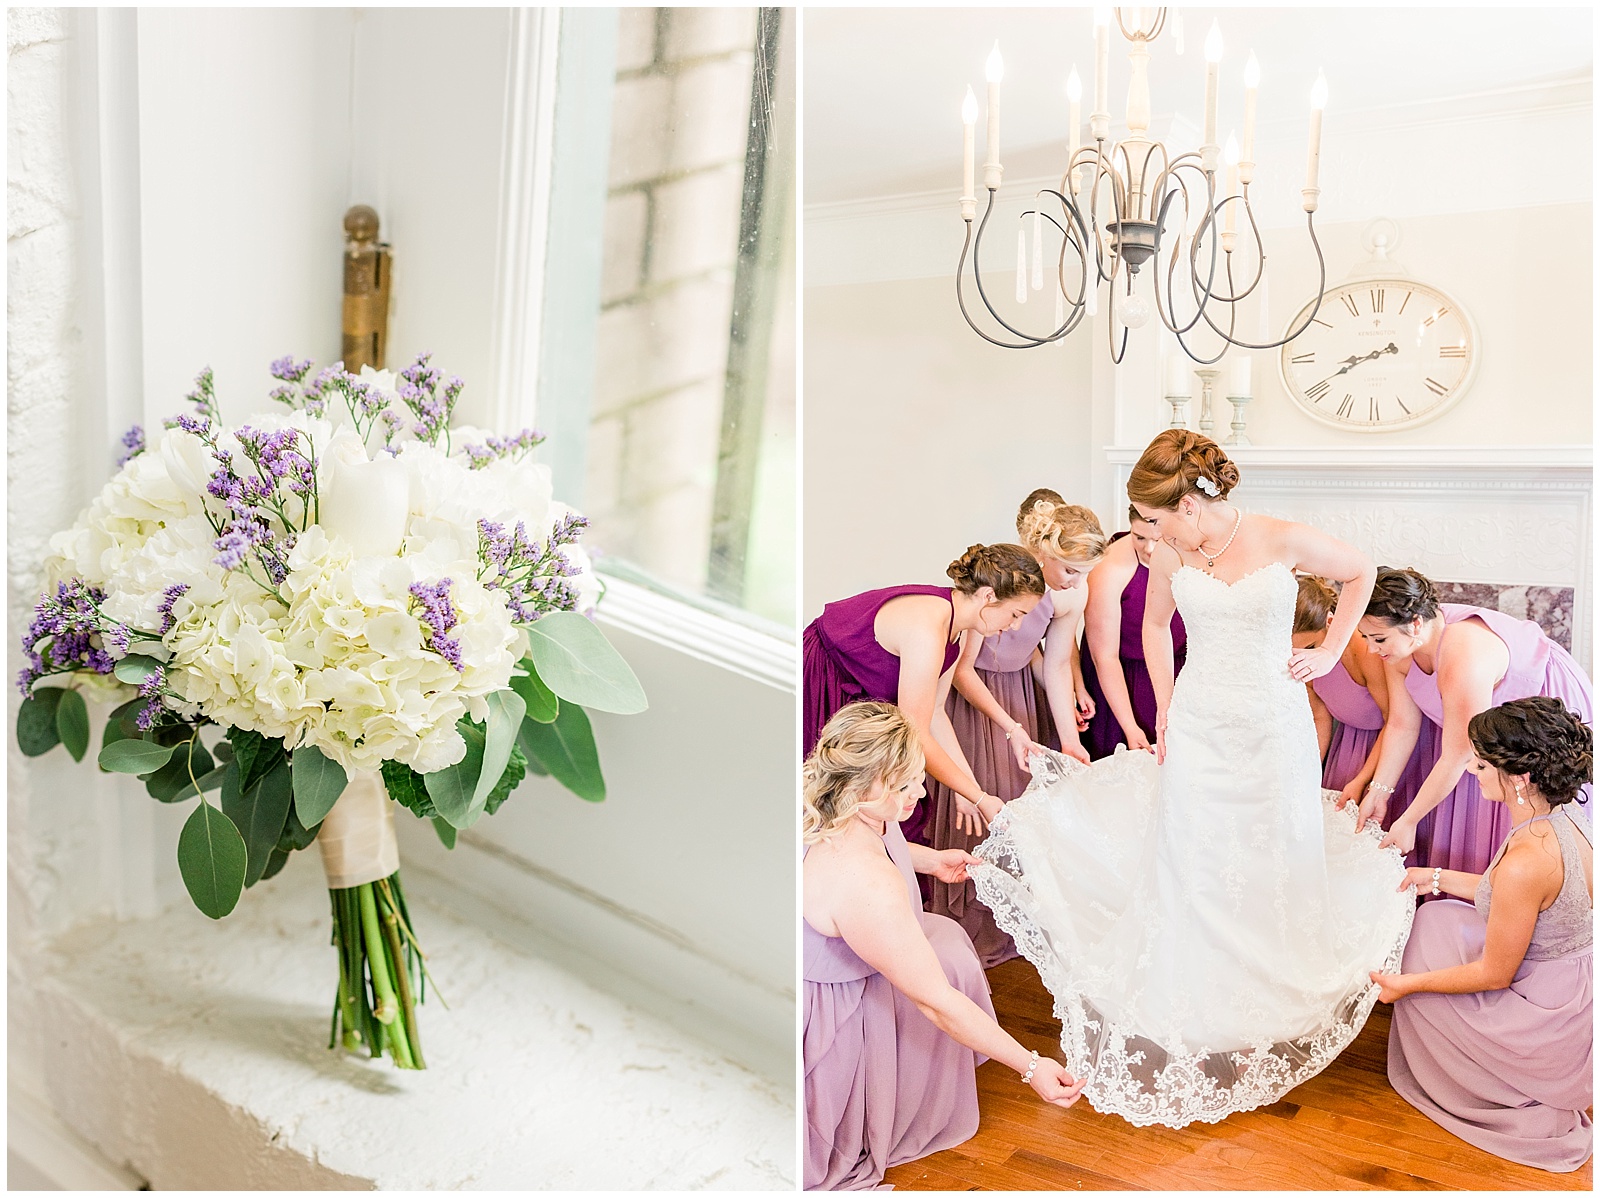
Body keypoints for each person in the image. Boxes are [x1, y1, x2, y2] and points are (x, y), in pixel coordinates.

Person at [972, 429, 1413, 1129]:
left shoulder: (1279, 536)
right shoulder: (1175, 551)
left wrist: (1330, 650)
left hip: (1273, 722)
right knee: (1196, 851)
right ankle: (1200, 991)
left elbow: (1360, 570)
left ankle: (1269, 990)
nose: (1145, 531)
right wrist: (1171, 707)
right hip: (1202, 719)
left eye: (1154, 516)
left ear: (1190, 501)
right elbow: (1154, 628)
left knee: (1271, 847)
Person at [803, 702, 1085, 1190]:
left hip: (854, 946)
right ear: (867, 785)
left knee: (949, 942)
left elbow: (886, 840)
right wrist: (1031, 1065)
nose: (921, 791)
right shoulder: (867, 883)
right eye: (908, 782)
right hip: (836, 1016)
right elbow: (936, 1003)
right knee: (943, 976)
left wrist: (930, 861)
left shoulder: (836, 805)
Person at [1373, 696, 1592, 1172]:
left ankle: (1494, 1088)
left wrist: (1403, 988)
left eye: (1481, 762)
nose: (1471, 769)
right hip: (1569, 982)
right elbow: (1527, 904)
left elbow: (1494, 974)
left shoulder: (1529, 857)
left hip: (1547, 1014)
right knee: (1436, 918)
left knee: (1419, 955)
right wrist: (1435, 877)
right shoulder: (1564, 820)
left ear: (1519, 777)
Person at [925, 491, 1106, 967]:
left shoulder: (1074, 593)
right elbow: (960, 671)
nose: (1077, 580)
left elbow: (1058, 666)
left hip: (1023, 696)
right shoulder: (1007, 584)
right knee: (977, 798)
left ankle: (1017, 916)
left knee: (1022, 800)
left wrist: (1069, 738)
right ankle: (968, 918)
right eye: (1069, 569)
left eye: (1084, 572)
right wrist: (1008, 727)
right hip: (974, 697)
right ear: (1043, 554)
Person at [802, 544, 1046, 845]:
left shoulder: (958, 626)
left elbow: (935, 713)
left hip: (866, 709)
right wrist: (980, 797)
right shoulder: (928, 630)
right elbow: (914, 734)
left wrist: (968, 785)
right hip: (823, 683)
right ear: (988, 596)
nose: (1015, 626)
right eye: (1015, 613)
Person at [1357, 568, 1594, 874]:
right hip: (1479, 732)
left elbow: (1460, 753)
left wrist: (1409, 820)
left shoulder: (1464, 652)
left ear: (1415, 624)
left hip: (1538, 708)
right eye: (1364, 637)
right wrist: (1379, 792)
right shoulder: (1399, 647)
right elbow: (1402, 725)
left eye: (1378, 638)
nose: (1370, 649)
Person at [1294, 574, 1427, 839]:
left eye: (1311, 646)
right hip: (1346, 745)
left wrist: (1364, 778)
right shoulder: (1301, 655)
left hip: (1388, 747)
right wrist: (1308, 770)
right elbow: (1320, 716)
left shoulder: (1367, 650)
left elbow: (1394, 720)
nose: (1303, 655)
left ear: (1331, 624)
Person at [1080, 508, 1187, 758]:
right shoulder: (1110, 568)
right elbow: (1104, 656)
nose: (1149, 548)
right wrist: (1130, 726)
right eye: (1139, 537)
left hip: (1176, 673)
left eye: (1158, 539)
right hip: (1122, 679)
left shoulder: (1193, 551)